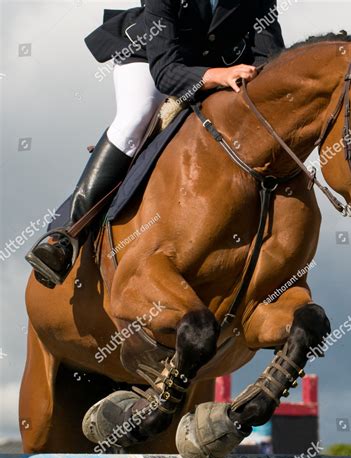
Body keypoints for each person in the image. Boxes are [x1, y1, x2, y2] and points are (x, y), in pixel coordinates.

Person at [25, 0, 285, 288]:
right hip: (151, 58)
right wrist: (214, 75)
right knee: (136, 118)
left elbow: (270, 61)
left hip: (220, 68)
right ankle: (64, 235)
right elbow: (165, 72)